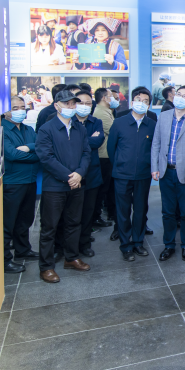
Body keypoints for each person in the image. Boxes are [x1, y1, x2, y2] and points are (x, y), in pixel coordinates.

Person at [35, 90, 92, 283]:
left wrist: (79, 174)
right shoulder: (46, 129)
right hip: (55, 187)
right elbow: (46, 158)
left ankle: (71, 258)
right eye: (66, 103)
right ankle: (46, 267)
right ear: (56, 106)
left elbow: (87, 153)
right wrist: (69, 177)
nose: (70, 107)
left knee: (74, 223)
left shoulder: (79, 128)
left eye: (73, 103)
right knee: (49, 227)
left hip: (76, 184)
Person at [152, 85, 185, 261]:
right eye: (179, 94)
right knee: (167, 212)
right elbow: (156, 143)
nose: (180, 98)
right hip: (166, 172)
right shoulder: (164, 116)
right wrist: (155, 167)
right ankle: (168, 245)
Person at [107, 88, 156, 261]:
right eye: (138, 99)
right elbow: (111, 148)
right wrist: (120, 165)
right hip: (122, 174)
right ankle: (125, 245)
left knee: (141, 210)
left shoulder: (152, 124)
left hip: (143, 174)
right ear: (132, 101)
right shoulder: (119, 122)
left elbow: (154, 149)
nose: (141, 103)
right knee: (123, 210)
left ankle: (138, 242)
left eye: (145, 101)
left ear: (148, 105)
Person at [2, 97, 40, 273]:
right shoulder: (2, 129)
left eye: (22, 107)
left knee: (25, 219)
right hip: (13, 182)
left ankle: (23, 250)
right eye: (15, 108)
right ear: (6, 111)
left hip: (30, 180)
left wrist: (29, 148)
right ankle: (4, 260)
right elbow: (12, 155)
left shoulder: (28, 129)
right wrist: (33, 153)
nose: (20, 111)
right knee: (8, 223)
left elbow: (41, 147)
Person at [73, 90, 105, 259]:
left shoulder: (96, 122)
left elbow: (98, 141)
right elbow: (66, 143)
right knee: (71, 215)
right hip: (72, 175)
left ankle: (84, 244)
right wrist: (87, 139)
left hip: (91, 174)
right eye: (80, 103)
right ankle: (69, 247)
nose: (84, 106)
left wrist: (77, 141)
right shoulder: (69, 121)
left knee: (87, 213)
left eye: (88, 103)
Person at [92, 88, 118, 227]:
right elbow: (115, 131)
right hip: (103, 156)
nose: (113, 99)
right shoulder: (101, 113)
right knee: (102, 189)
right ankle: (95, 217)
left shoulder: (106, 111)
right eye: (110, 96)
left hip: (107, 155)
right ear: (104, 98)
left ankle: (101, 215)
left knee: (107, 187)